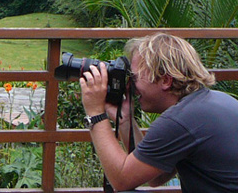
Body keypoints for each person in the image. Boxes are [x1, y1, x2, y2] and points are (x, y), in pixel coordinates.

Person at [79, 33, 238, 192]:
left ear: (165, 80)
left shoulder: (179, 121)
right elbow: (156, 177)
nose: (131, 86)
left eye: (134, 78)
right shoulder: (215, 102)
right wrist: (125, 120)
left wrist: (95, 113)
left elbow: (121, 181)